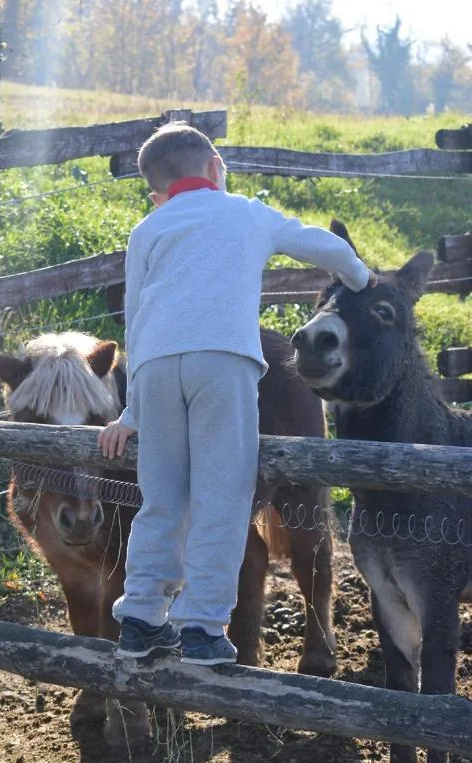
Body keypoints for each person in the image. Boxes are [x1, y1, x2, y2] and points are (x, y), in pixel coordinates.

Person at [97, 121, 374, 666]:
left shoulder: (146, 230)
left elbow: (136, 313)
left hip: (152, 367)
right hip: (220, 363)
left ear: (155, 192)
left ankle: (141, 618)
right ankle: (201, 624)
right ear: (216, 168)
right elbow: (319, 244)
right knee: (221, 496)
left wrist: (130, 410)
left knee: (162, 498)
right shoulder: (243, 211)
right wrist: (361, 278)